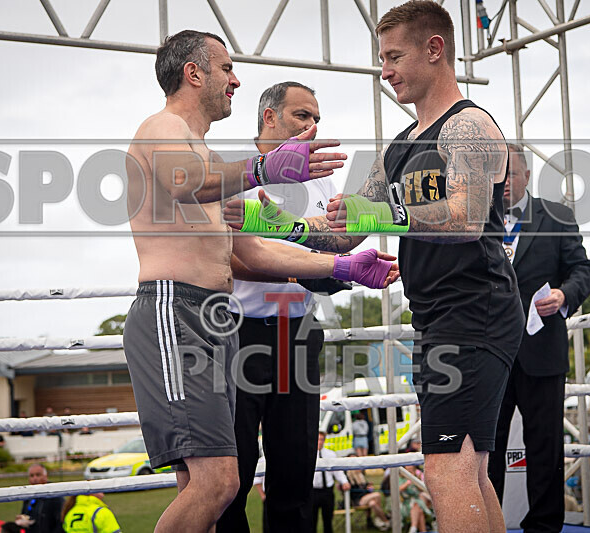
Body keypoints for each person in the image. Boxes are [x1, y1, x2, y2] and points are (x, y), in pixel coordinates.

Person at [225, 3, 525, 530]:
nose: (384, 71)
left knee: (449, 471)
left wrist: (384, 210)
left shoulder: (469, 125)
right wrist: (267, 219)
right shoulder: (397, 148)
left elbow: (467, 217)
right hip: (437, 316)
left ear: (435, 50)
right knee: (468, 469)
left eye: (393, 56)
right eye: (380, 59)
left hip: (477, 309)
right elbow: (341, 233)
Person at [123, 29, 398, 533]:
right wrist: (261, 168)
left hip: (222, 321)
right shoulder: (162, 128)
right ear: (194, 73)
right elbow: (187, 184)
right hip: (179, 310)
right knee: (220, 484)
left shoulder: (205, 152)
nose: (236, 79)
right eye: (226, 68)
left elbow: (252, 249)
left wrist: (340, 265)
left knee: (206, 483)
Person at [217, 81, 350, 533]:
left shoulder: (321, 175)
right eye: (302, 116)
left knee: (295, 468)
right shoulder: (232, 170)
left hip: (296, 334)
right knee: (230, 474)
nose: (313, 126)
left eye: (317, 119)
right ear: (269, 117)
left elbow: (333, 245)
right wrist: (306, 269)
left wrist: (344, 265)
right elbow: (229, 259)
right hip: (234, 332)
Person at [487, 142, 590, 531]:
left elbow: (583, 270)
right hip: (490, 356)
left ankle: (545, 528)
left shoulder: (556, 216)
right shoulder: (474, 218)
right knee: (488, 449)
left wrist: (565, 295)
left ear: (527, 176)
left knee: (546, 448)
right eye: (495, 175)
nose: (501, 183)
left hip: (542, 350)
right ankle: (489, 524)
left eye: (510, 174)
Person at [312, 431, 350, 533]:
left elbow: (337, 471)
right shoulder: (308, 454)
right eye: (318, 439)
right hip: (313, 492)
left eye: (321, 440)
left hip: (327, 492)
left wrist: (344, 482)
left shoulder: (330, 454)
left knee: (328, 520)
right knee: (311, 521)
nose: (319, 442)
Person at [16, 464, 64, 533]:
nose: (35, 478)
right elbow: (25, 515)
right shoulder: (27, 497)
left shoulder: (55, 496)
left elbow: (61, 523)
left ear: (46, 476)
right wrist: (21, 520)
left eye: (38, 475)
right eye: (32, 476)